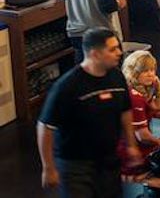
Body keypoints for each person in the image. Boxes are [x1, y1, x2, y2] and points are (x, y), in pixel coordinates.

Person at [37, 29, 140, 197]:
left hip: (108, 161)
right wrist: (48, 168)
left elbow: (125, 110)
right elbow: (45, 127)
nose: (119, 53)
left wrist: (131, 145)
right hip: (75, 167)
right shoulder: (67, 86)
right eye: (112, 49)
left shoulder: (117, 76)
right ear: (95, 54)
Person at [118, 51, 160, 175]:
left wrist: (158, 86)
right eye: (145, 71)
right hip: (132, 156)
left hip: (129, 148)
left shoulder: (138, 90)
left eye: (152, 70)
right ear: (134, 73)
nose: (151, 74)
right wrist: (159, 141)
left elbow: (159, 106)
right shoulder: (135, 97)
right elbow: (142, 136)